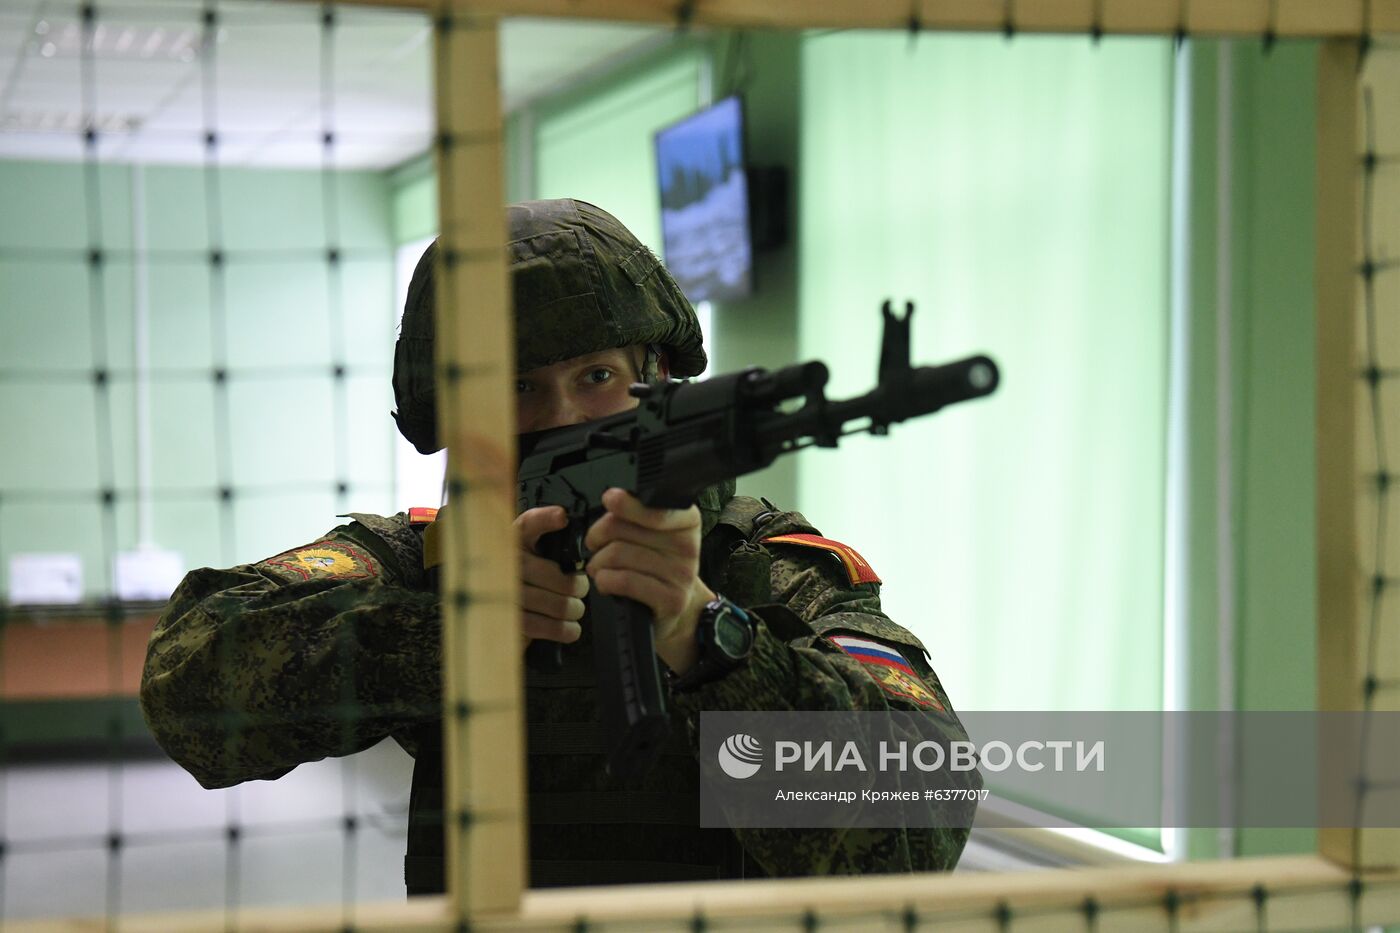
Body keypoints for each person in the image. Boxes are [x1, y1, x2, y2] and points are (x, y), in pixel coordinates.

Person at [140, 198, 976, 894]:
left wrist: (706, 638)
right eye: (517, 386)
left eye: (597, 377)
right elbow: (188, 688)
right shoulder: (426, 560)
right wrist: (447, 637)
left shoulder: (766, 567)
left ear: (655, 376)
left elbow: (922, 824)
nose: (566, 417)